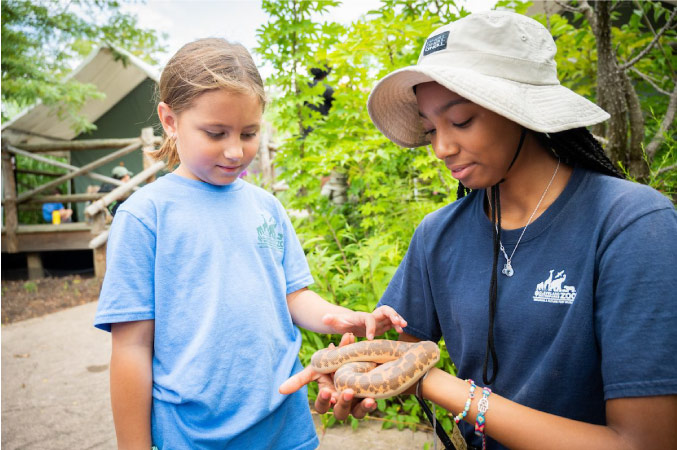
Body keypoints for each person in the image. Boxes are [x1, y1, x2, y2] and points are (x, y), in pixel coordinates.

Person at [280, 11, 677, 450]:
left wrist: (440, 386)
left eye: (462, 121)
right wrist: (352, 376)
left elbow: (645, 441)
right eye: (430, 129)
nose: (442, 148)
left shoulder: (632, 225)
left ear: (520, 111)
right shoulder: (439, 234)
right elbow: (398, 354)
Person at [93, 38, 407, 450]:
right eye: (215, 132)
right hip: (192, 436)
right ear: (170, 120)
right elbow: (131, 348)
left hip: (283, 427)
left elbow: (294, 296)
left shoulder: (266, 208)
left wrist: (339, 318)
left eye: (249, 132)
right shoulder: (145, 216)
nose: (235, 150)